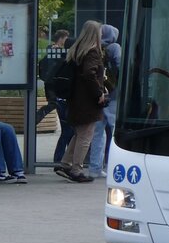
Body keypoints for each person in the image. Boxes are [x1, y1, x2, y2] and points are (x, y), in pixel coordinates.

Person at [56, 20, 108, 183]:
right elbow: (89, 73)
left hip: (76, 99)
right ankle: (76, 169)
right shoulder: (92, 51)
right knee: (86, 135)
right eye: (100, 32)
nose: (101, 35)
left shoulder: (76, 50)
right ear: (95, 34)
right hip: (87, 101)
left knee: (79, 133)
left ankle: (65, 163)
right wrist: (99, 92)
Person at [85, 24, 121, 180]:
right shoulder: (114, 47)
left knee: (98, 133)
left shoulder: (95, 48)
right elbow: (120, 66)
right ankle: (115, 167)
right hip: (113, 95)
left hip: (99, 95)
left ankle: (95, 168)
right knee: (115, 133)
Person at [36, 28, 71, 123]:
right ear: (61, 38)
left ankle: (36, 117)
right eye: (65, 39)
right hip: (53, 82)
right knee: (54, 103)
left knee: (54, 103)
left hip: (49, 81)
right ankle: (36, 117)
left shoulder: (52, 50)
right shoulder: (56, 52)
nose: (66, 41)